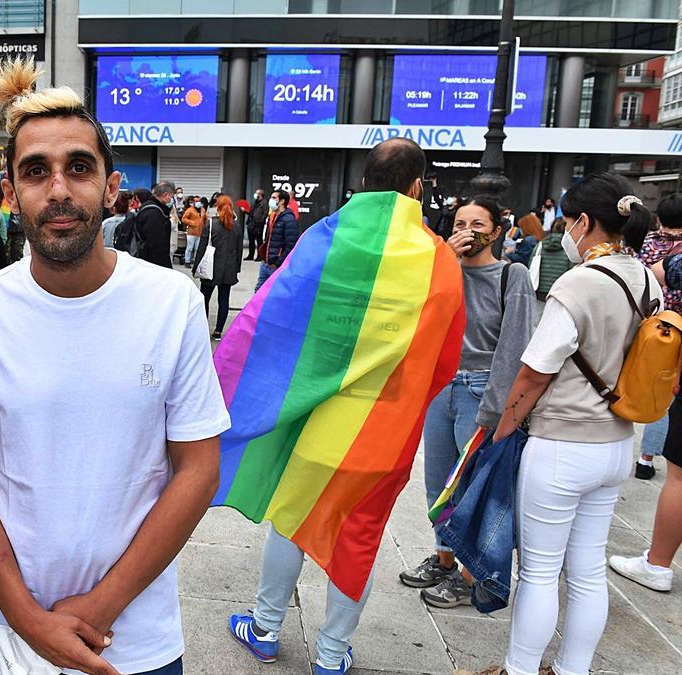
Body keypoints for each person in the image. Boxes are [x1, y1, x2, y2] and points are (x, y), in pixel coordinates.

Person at [0, 57, 229, 675]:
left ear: (109, 186)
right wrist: (27, 618)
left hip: (137, 640)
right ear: (11, 191)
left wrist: (102, 605)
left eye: (78, 168)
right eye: (35, 171)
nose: (58, 191)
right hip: (12, 638)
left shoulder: (171, 300)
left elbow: (198, 469)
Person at [228, 138, 459, 674]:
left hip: (320, 425)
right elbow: (445, 358)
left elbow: (271, 317)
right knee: (359, 537)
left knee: (291, 516)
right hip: (382, 434)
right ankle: (331, 657)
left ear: (365, 181)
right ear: (416, 187)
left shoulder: (324, 238)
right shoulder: (437, 259)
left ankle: (264, 629)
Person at [478, 172, 658, 675]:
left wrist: (503, 427)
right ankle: (573, 669)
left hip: (562, 443)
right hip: (617, 443)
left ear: (583, 222)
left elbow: (535, 370)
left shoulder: (578, 282)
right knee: (586, 571)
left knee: (538, 572)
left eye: (565, 222)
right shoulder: (644, 276)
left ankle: (519, 668)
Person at [398, 196, 534, 608]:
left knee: (472, 486)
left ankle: (468, 572)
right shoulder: (442, 269)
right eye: (460, 223)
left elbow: (515, 346)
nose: (467, 231)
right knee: (439, 482)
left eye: (478, 224)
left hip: (481, 389)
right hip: (441, 386)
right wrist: (444, 266)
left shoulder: (512, 275)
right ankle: (443, 557)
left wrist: (498, 410)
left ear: (496, 231)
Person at [627, 193, 682, 480]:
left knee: (644, 380)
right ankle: (646, 459)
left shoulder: (647, 243)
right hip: (680, 329)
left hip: (650, 324)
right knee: (668, 393)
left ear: (659, 217)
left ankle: (630, 445)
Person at [192, 194, 242, 340]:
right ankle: (219, 331)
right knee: (224, 300)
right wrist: (236, 269)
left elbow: (202, 247)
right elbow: (239, 251)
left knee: (204, 299)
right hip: (229, 269)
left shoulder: (211, 224)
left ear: (217, 207)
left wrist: (196, 267)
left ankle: (203, 328)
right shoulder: (237, 226)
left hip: (211, 268)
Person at [255, 190, 299, 291]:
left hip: (275, 266)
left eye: (274, 198)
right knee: (258, 293)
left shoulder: (289, 219)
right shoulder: (273, 216)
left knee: (273, 295)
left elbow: (291, 246)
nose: (271, 200)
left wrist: (277, 263)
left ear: (282, 201)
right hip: (265, 263)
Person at [134, 182, 176, 268]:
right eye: (171, 197)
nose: (171, 200)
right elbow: (156, 246)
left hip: (145, 261)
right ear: (165, 195)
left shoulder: (149, 207)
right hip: (151, 264)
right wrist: (166, 268)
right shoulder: (154, 213)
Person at [181, 195, 205, 265]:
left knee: (197, 249)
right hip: (191, 232)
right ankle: (187, 261)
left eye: (199, 201)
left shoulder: (203, 210)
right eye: (196, 201)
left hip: (200, 232)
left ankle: (196, 261)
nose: (198, 202)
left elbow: (205, 219)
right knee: (190, 248)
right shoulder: (190, 210)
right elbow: (183, 219)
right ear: (193, 202)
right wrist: (192, 223)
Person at [247, 188, 267, 261]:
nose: (255, 195)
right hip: (251, 223)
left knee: (259, 241)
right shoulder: (255, 202)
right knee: (251, 240)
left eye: (257, 193)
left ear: (260, 194)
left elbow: (265, 213)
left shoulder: (264, 203)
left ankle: (260, 255)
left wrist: (261, 221)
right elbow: (251, 212)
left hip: (258, 224)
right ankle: (250, 255)